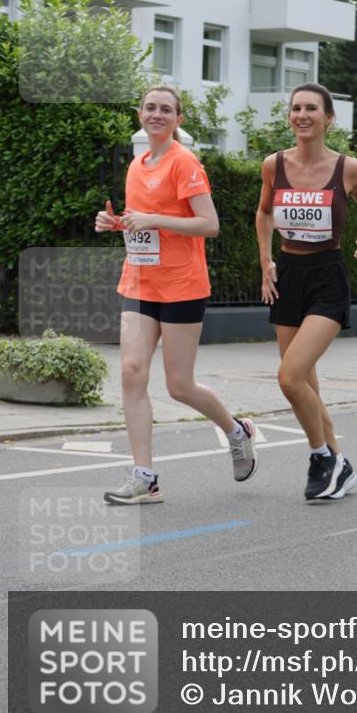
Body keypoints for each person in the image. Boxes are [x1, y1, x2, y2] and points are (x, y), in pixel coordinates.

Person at [95, 85, 257, 504]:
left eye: (166, 109)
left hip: (182, 284)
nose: (157, 114)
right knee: (131, 371)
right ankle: (145, 478)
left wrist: (155, 218)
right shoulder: (137, 166)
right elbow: (142, 222)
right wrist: (116, 223)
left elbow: (209, 224)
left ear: (178, 119)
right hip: (140, 281)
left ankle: (236, 430)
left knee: (179, 385)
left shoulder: (184, 162)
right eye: (150, 107)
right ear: (139, 114)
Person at [256, 83, 357, 501]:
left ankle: (320, 457)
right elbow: (264, 212)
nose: (302, 115)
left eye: (311, 108)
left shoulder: (348, 168)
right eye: (296, 108)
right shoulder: (274, 165)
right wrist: (265, 261)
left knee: (290, 377)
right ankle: (339, 463)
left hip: (327, 277)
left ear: (329, 117)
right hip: (288, 276)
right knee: (305, 386)